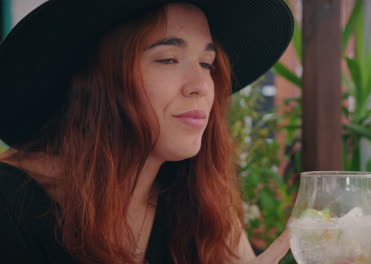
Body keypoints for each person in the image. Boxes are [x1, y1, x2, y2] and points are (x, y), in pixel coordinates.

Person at [0, 0, 293, 263]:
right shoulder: (10, 205)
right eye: (168, 59)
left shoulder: (196, 203)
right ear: (96, 81)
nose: (202, 86)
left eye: (207, 64)